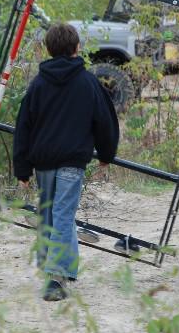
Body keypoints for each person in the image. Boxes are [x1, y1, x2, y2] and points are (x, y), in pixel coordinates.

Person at [13, 23, 120, 301]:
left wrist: (22, 168)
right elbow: (105, 122)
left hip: (43, 162)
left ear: (48, 49)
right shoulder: (88, 83)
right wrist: (106, 155)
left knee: (51, 214)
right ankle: (56, 276)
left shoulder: (38, 84)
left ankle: (58, 268)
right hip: (73, 161)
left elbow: (24, 126)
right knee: (61, 214)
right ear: (77, 48)